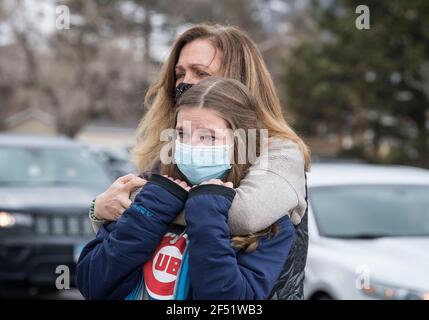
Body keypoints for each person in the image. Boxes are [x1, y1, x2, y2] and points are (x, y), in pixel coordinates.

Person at [88, 23, 310, 299]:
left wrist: (149, 203)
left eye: (200, 73)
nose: (186, 82)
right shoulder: (174, 150)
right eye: (180, 73)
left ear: (238, 80)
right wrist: (101, 209)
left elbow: (244, 215)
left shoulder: (279, 151)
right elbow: (105, 264)